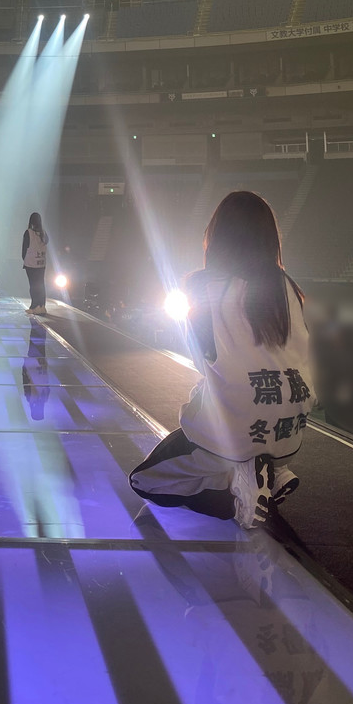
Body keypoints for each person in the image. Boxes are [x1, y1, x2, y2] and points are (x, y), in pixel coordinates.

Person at [128, 191, 313, 530]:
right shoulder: (288, 287)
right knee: (240, 398)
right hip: (290, 433)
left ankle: (237, 487)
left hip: (233, 433)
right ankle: (273, 471)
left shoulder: (202, 285)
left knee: (144, 481)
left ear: (217, 237)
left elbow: (204, 361)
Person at [22, 212, 49, 313]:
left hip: (31, 263)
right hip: (41, 263)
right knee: (41, 284)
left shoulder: (28, 232)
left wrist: (24, 258)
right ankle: (42, 306)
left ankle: (34, 306)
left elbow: (24, 248)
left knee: (33, 285)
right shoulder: (43, 233)